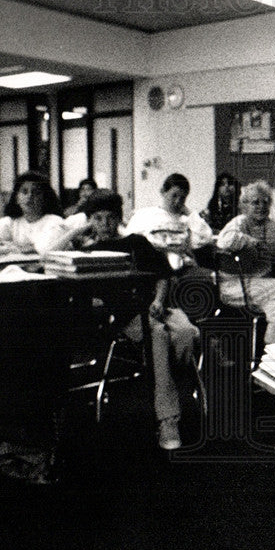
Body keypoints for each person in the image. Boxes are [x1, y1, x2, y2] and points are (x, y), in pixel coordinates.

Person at [80, 191, 200, 451]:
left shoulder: (136, 242)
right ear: (90, 222)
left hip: (158, 307)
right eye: (97, 219)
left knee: (188, 333)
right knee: (158, 334)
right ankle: (168, 419)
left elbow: (162, 276)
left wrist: (158, 300)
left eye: (110, 218)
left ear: (119, 218)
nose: (104, 224)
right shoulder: (88, 253)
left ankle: (165, 375)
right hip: (128, 316)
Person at [216, 181, 275, 344]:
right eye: (255, 202)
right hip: (234, 286)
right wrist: (251, 242)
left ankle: (267, 356)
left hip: (261, 287)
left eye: (265, 202)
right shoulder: (239, 222)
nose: (261, 206)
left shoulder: (271, 226)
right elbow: (223, 241)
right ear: (244, 205)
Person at [124, 173, 214, 271]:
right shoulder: (145, 215)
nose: (177, 201)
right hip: (152, 265)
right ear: (163, 192)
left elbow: (206, 237)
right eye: (174, 196)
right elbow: (129, 240)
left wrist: (190, 214)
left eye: (182, 198)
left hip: (181, 267)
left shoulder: (187, 220)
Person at [0, 172, 67, 256]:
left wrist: (8, 247)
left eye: (36, 193)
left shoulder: (54, 221)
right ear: (16, 198)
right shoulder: (10, 221)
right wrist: (18, 248)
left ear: (45, 198)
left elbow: (43, 249)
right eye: (24, 192)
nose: (30, 196)